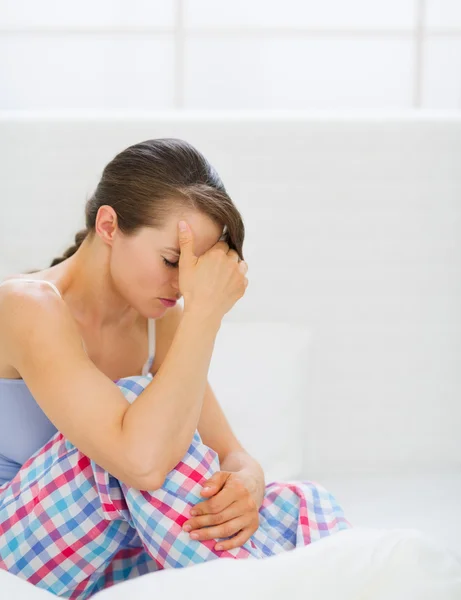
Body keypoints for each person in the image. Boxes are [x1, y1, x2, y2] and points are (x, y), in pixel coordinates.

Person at [0, 138, 352, 598]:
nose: (183, 286)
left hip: (114, 550)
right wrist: (206, 315)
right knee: (136, 415)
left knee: (297, 503)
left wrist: (245, 486)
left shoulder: (159, 322)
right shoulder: (26, 306)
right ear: (108, 225)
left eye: (194, 270)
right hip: (20, 546)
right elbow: (142, 464)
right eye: (172, 260)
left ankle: (303, 580)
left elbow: (232, 453)